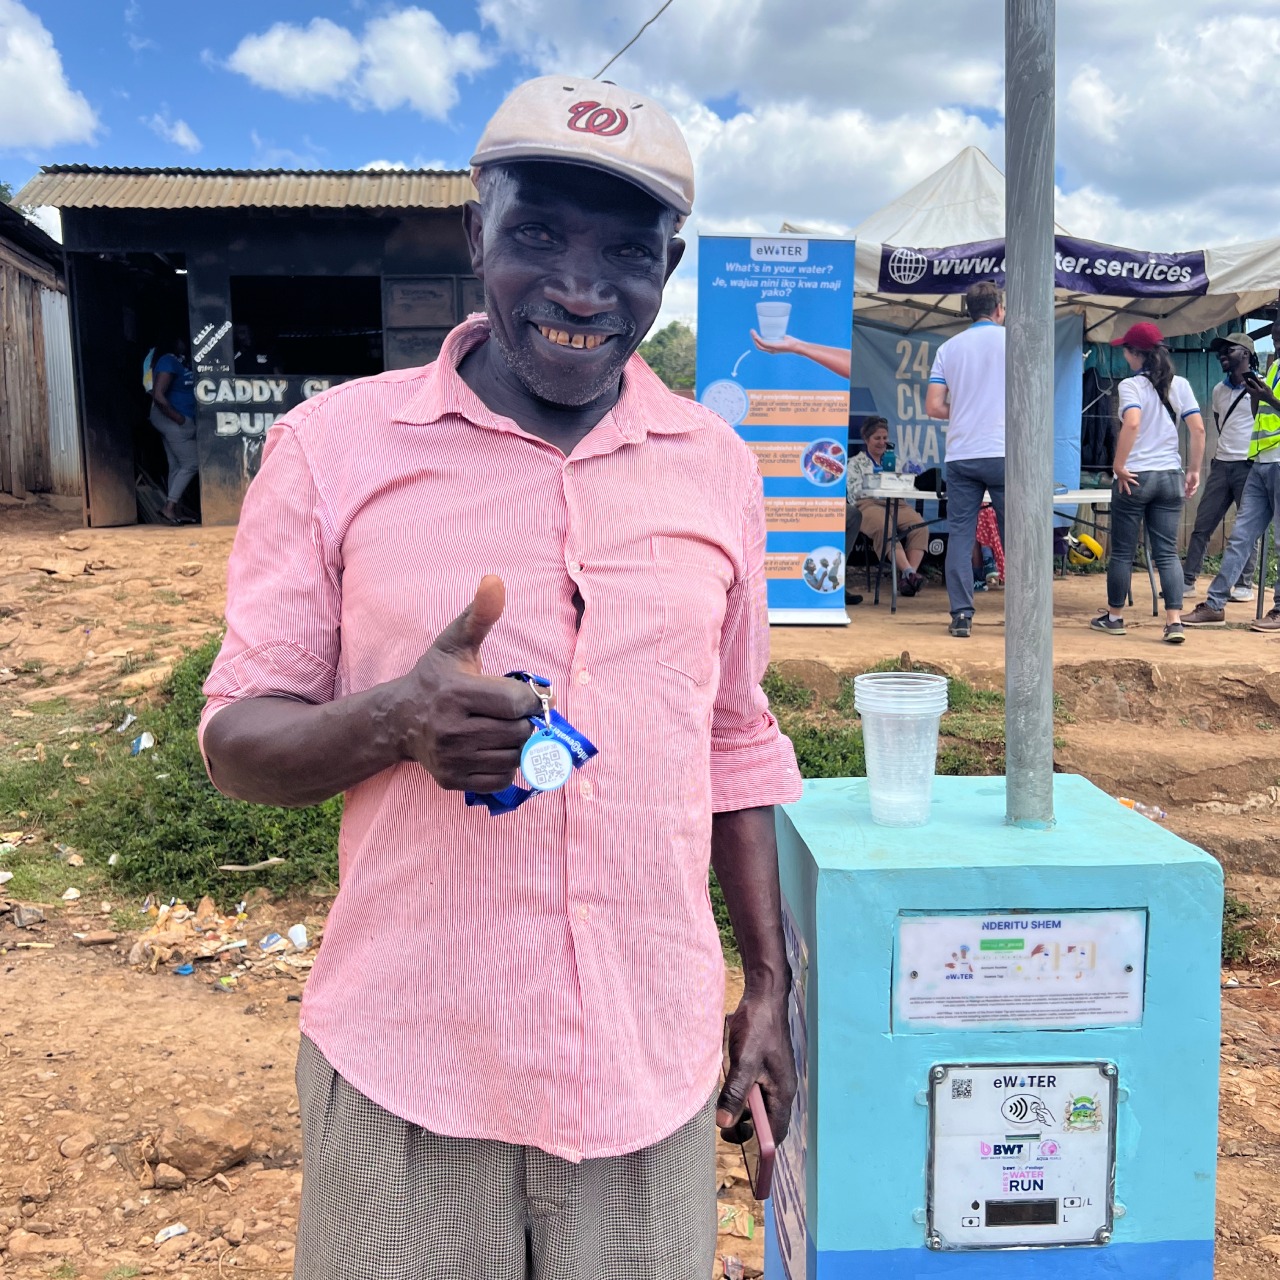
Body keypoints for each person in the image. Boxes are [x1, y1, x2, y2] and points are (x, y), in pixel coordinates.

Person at [199, 75, 802, 1280]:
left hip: (649, 1071)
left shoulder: (716, 468)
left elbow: (733, 739)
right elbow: (233, 739)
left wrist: (771, 982)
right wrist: (392, 720)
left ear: (670, 268)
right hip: (408, 1073)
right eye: (537, 234)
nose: (581, 289)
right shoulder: (335, 451)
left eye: (626, 252)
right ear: (475, 231)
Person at [1090, 322, 1204, 644]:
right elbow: (1198, 430)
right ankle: (1174, 622)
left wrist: (1118, 465)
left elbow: (1133, 422)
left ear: (1134, 354)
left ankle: (1114, 617)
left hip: (1135, 478)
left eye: (1125, 349)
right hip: (1170, 477)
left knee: (1123, 552)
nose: (1124, 355)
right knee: (1167, 552)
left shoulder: (1131, 386)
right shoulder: (1179, 384)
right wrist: (1193, 470)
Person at [1185, 316, 1280, 632]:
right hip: (1260, 462)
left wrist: (1267, 397)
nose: (1276, 344)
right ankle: (1214, 605)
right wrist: (1259, 399)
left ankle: (1278, 609)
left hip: (1272, 464)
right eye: (1275, 338)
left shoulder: (1270, 376)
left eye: (1279, 339)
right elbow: (1259, 419)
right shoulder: (1272, 372)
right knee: (1240, 535)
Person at [924, 281, 1007, 638]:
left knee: (960, 533)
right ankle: (1022, 615)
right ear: (999, 309)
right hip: (1006, 451)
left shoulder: (948, 348)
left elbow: (933, 406)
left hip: (962, 454)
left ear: (967, 311)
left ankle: (961, 615)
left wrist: (965, 410)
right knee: (1015, 534)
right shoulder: (1015, 342)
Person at [1181, 332, 1261, 601]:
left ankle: (1244, 584)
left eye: (1230, 350)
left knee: (1247, 528)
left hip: (1249, 467)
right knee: (1203, 524)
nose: (1222, 355)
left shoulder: (1261, 387)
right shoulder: (1219, 390)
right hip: (1221, 465)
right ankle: (1187, 580)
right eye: (1221, 351)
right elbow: (1220, 423)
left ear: (1247, 354)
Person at [846, 416, 928, 596]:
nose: (882, 442)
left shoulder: (895, 461)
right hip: (868, 504)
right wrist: (876, 484)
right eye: (877, 438)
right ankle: (909, 572)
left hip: (897, 503)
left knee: (920, 526)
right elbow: (853, 492)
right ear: (867, 439)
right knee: (884, 527)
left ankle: (908, 579)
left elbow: (906, 486)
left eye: (885, 438)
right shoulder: (855, 463)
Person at [145, 336, 198, 524]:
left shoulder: (179, 361)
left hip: (176, 419)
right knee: (192, 463)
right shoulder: (168, 360)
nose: (187, 343)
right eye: (183, 339)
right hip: (173, 419)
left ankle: (175, 509)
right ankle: (169, 508)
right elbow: (159, 395)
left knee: (177, 465)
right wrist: (180, 419)